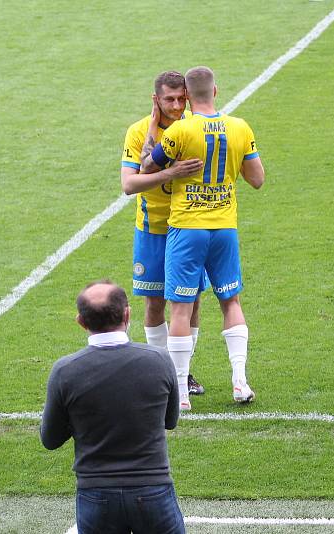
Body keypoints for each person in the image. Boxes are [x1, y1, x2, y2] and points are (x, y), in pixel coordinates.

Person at [140, 66, 265, 410]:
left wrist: (154, 129)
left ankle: (180, 392)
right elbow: (257, 179)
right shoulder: (240, 127)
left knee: (180, 308)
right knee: (231, 302)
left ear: (188, 97)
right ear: (216, 91)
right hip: (224, 227)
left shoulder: (180, 129)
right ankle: (240, 381)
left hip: (187, 228)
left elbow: (148, 167)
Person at [41, 280, 184, 534]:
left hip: (96, 495)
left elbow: (50, 439)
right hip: (152, 490)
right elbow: (170, 421)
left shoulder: (65, 371)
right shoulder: (159, 360)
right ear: (127, 314)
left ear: (81, 322)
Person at [121, 70, 208, 397]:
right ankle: (163, 372)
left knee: (192, 302)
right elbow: (129, 185)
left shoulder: (194, 130)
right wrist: (171, 172)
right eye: (168, 99)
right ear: (155, 99)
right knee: (156, 303)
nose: (175, 105)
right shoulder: (138, 131)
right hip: (153, 229)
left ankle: (181, 372)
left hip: (189, 228)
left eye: (180, 98)